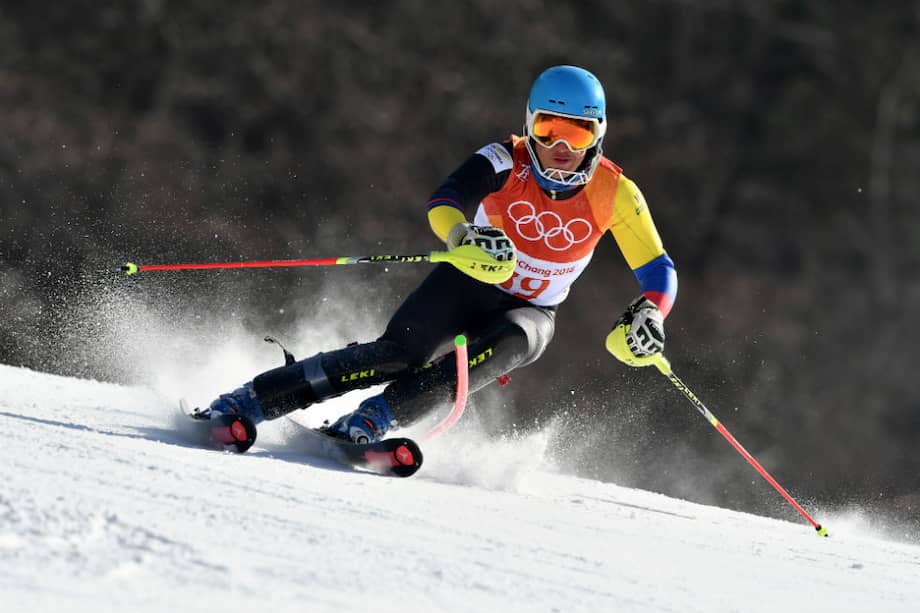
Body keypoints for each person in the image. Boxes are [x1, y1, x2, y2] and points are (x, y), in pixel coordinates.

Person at [199, 65, 677, 444]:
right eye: (547, 127)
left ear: (598, 134)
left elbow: (658, 269)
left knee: (487, 357)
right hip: (468, 282)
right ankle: (252, 399)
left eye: (575, 133)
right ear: (528, 122)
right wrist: (462, 237)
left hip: (532, 310)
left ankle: (373, 419)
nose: (558, 146)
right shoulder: (504, 159)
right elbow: (445, 200)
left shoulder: (617, 192)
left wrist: (652, 313)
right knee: (398, 356)